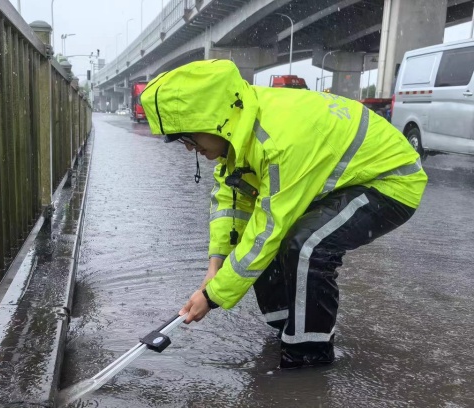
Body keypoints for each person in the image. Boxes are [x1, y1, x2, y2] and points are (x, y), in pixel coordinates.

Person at [140, 60, 427, 369]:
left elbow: (268, 230)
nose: (189, 149)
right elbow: (231, 203)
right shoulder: (238, 131)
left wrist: (211, 297)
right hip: (343, 182)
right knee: (260, 243)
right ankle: (287, 328)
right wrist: (216, 267)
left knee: (307, 246)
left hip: (390, 180)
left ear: (212, 122)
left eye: (188, 138)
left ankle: (307, 356)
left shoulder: (276, 142)